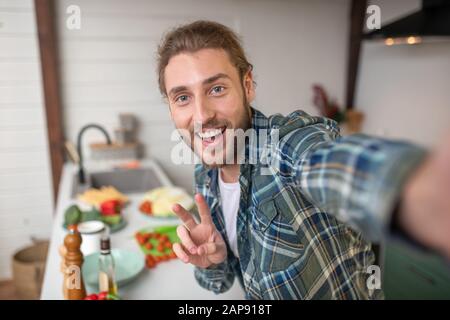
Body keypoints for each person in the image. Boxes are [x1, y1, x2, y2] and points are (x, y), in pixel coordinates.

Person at [156, 20, 450, 299]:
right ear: (170, 109)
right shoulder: (204, 178)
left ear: (247, 86)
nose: (203, 114)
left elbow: (323, 161)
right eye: (182, 97)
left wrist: (417, 190)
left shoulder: (287, 143)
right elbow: (220, 284)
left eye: (216, 89)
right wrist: (213, 260)